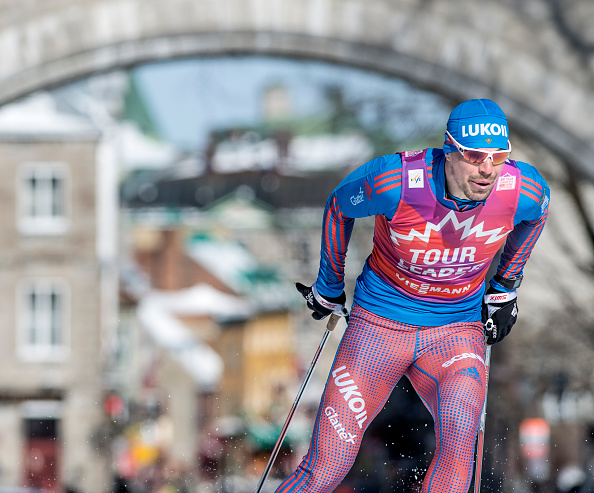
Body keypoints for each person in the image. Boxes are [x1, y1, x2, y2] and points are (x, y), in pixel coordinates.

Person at [276, 99, 550, 492]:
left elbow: (538, 213)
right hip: (378, 329)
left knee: (459, 443)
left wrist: (505, 289)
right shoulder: (397, 181)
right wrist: (328, 286)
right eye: (474, 156)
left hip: (455, 331)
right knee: (328, 464)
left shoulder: (522, 189)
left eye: (498, 156)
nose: (487, 169)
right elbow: (340, 204)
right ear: (449, 150)